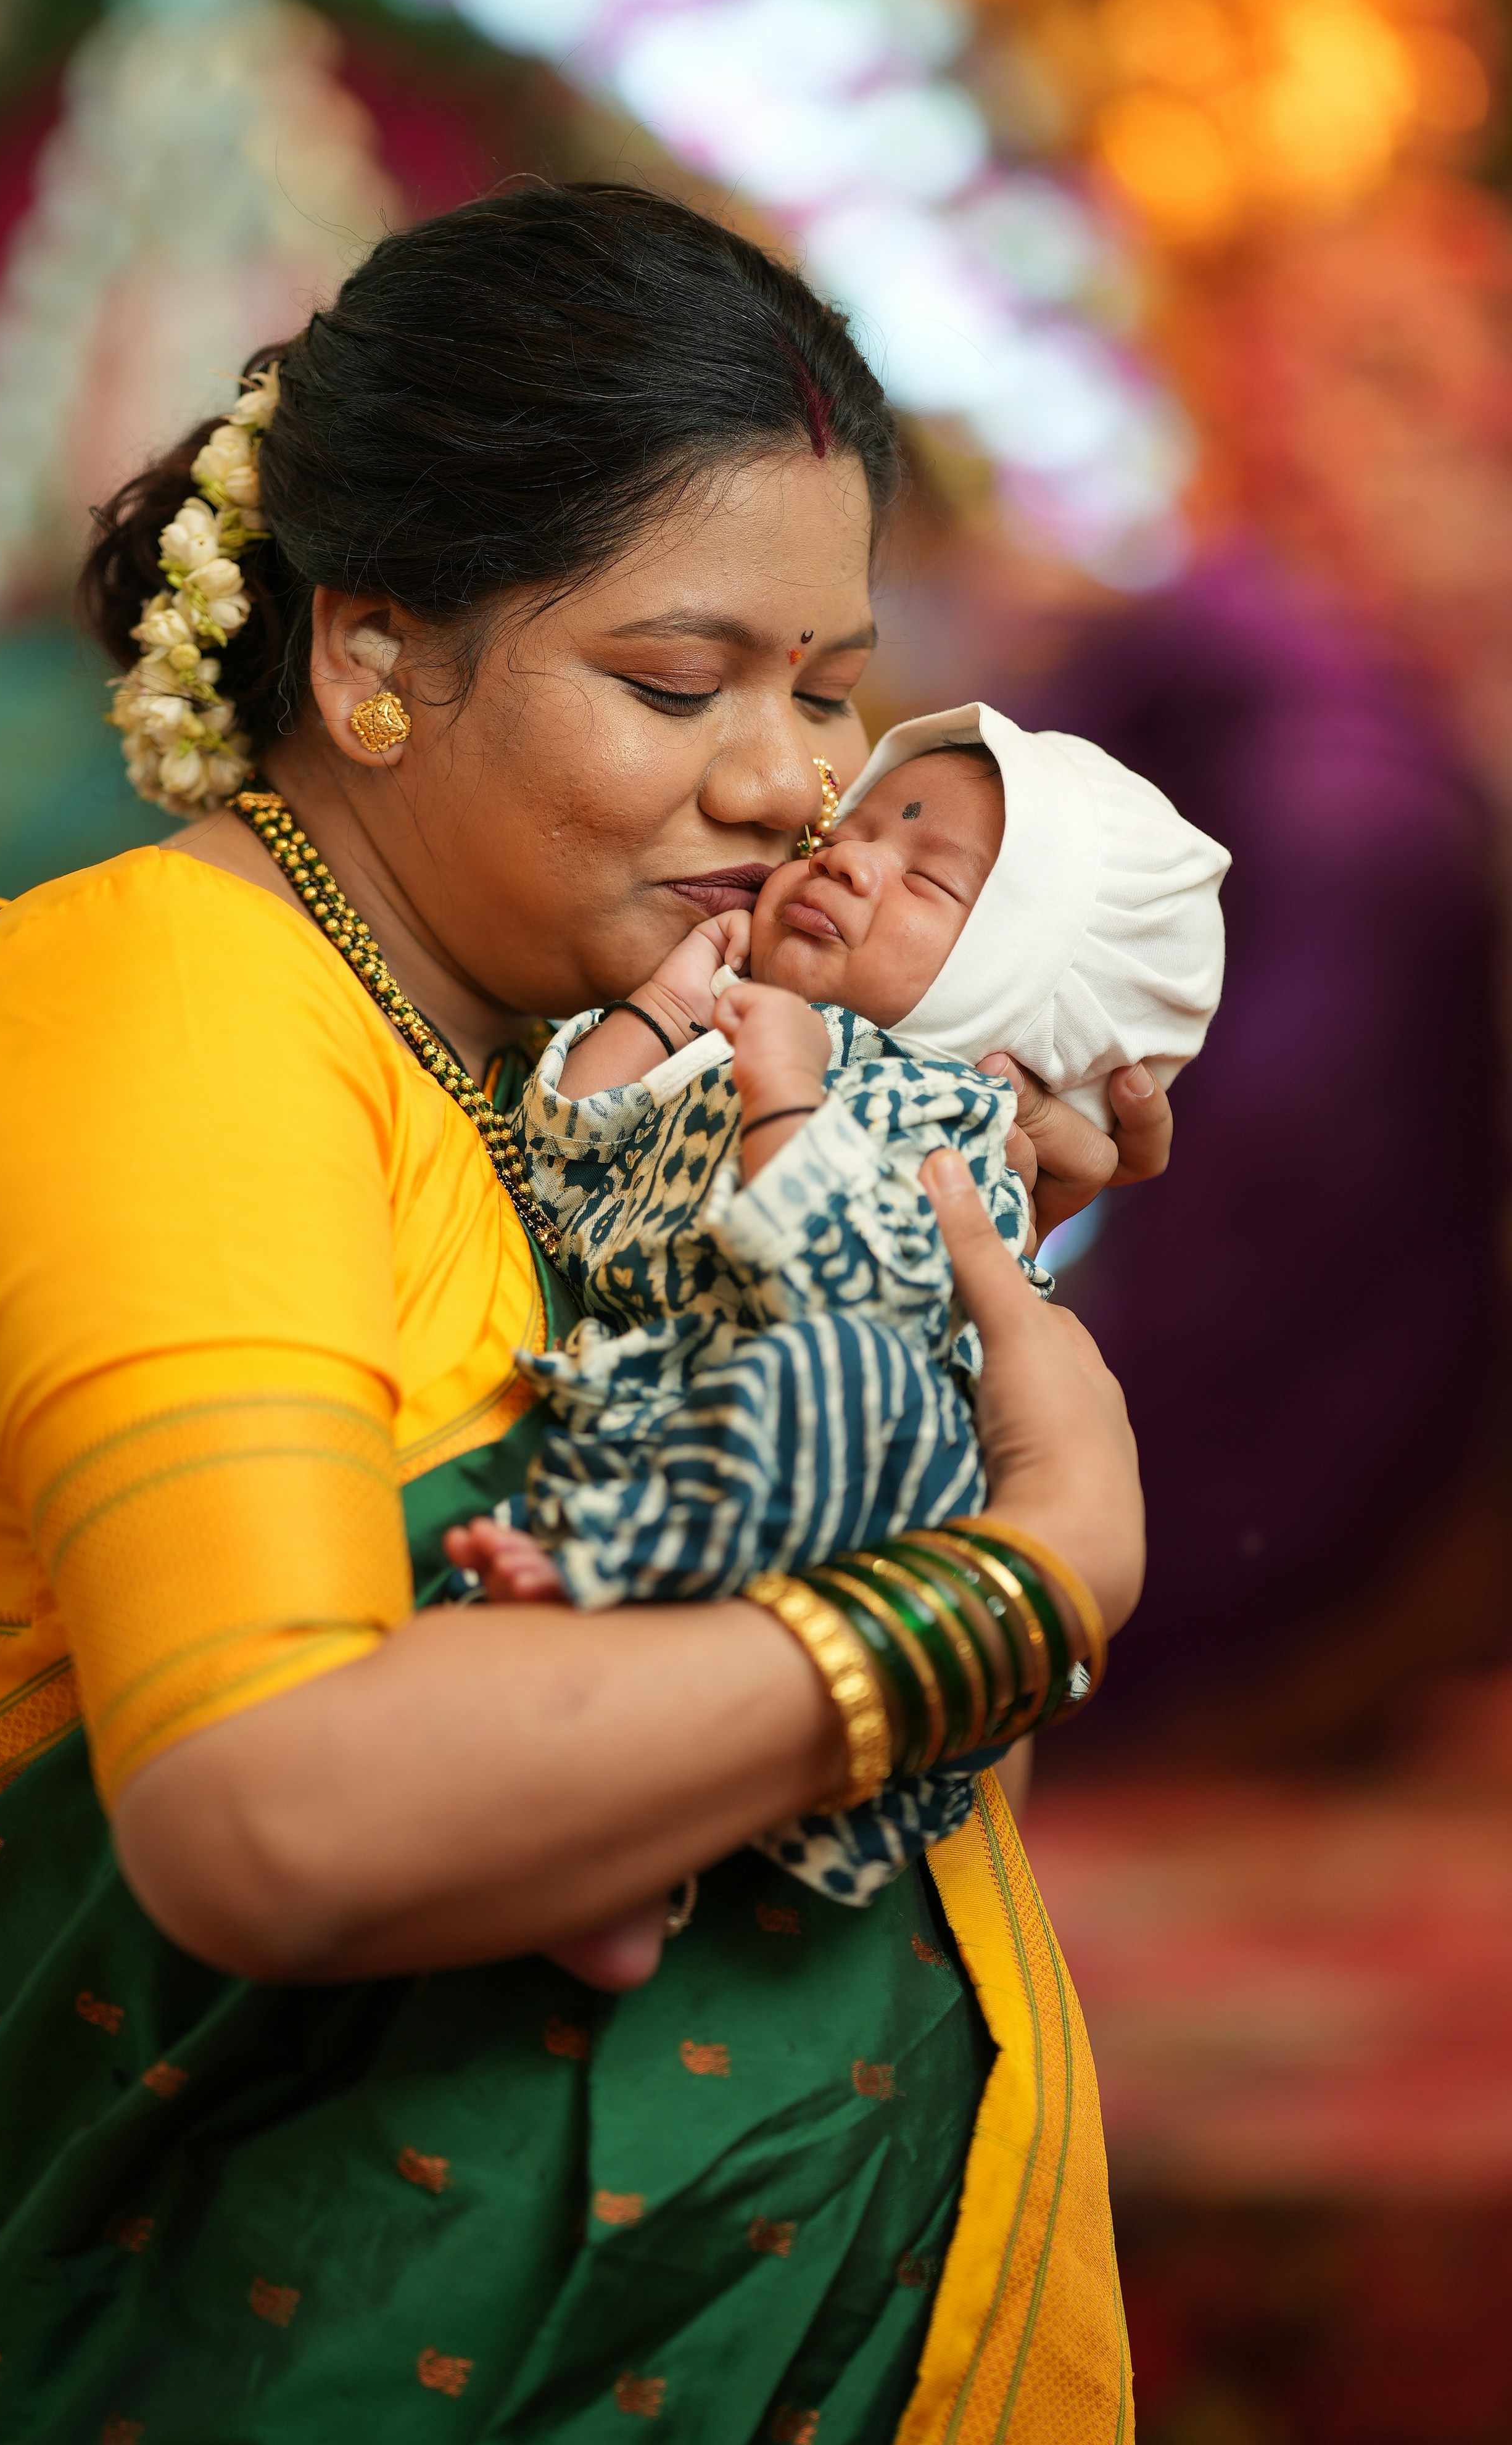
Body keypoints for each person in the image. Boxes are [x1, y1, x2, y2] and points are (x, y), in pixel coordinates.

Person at [0, 184, 1160, 2445]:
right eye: (673, 679)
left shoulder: (559, 1077)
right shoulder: (168, 1013)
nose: (787, 779)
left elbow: (822, 1820)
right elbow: (268, 1812)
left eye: (824, 683)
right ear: (366, 656)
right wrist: (1003, 1587)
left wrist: (919, 1297)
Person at [451, 704, 1225, 1937]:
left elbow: (859, 1292)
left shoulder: (945, 1112)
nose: (849, 857)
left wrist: (789, 1098)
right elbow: (562, 1164)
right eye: (854, 828)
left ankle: (634, 1824)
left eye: (929, 878)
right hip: (672, 1414)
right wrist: (660, 1007)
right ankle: (613, 1854)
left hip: (838, 1477)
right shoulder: (730, 1031)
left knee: (836, 1369)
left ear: (1018, 992)